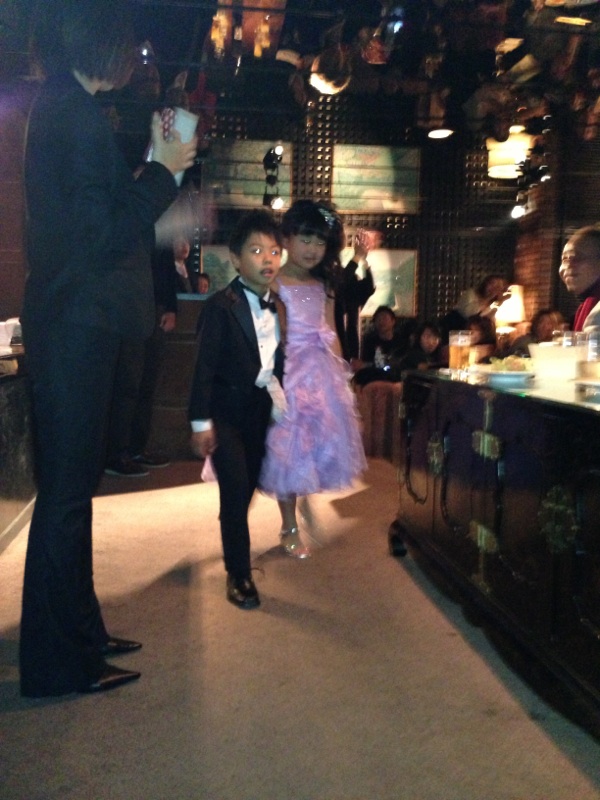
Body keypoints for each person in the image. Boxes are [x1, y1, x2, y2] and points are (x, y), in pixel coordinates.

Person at [20, 0, 197, 697]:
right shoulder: (74, 116)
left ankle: (82, 633)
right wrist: (166, 172)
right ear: (103, 46)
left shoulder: (67, 108)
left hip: (71, 323)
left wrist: (155, 161)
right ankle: (56, 665)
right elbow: (103, 236)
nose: (136, 60)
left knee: (74, 491)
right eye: (131, 48)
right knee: (67, 496)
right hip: (74, 326)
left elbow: (98, 217)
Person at [188, 209, 285, 611]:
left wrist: (280, 400)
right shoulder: (220, 306)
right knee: (234, 486)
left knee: (248, 485)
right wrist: (200, 422)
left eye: (274, 251)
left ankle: (231, 521)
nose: (267, 259)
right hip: (225, 412)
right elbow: (203, 368)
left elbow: (276, 361)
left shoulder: (278, 306)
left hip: (258, 413)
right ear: (235, 258)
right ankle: (239, 574)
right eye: (256, 250)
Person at [259, 200, 367, 556]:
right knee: (287, 448)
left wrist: (342, 375)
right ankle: (288, 524)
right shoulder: (273, 280)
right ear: (287, 238)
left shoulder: (325, 284)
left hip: (320, 371)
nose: (312, 249)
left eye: (320, 242)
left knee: (316, 446)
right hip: (287, 370)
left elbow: (331, 329)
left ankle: (303, 500)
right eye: (305, 239)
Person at [104, 243, 180, 477]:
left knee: (147, 382)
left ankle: (136, 449)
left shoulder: (157, 226)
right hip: (127, 305)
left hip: (154, 305)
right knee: (128, 382)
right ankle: (116, 453)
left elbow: (166, 265)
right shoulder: (130, 225)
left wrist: (170, 307)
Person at [335, 229, 377, 361]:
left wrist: (364, 260)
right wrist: (357, 256)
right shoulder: (326, 274)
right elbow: (339, 283)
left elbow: (368, 288)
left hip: (349, 344)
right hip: (330, 341)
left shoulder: (346, 275)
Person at [440, 274, 508, 344]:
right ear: (486, 283)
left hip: (474, 336)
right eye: (492, 284)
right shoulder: (470, 294)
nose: (494, 288)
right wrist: (491, 302)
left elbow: (490, 322)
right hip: (456, 327)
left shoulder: (494, 305)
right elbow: (470, 314)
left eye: (498, 287)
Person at [352, 305, 412, 386]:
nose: (381, 322)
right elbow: (365, 362)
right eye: (378, 319)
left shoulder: (401, 341)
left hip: (395, 379)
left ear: (393, 321)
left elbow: (401, 363)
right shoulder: (370, 341)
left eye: (384, 318)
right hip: (374, 378)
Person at [559, 225, 600, 331]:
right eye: (564, 259)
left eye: (577, 258)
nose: (568, 265)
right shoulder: (586, 306)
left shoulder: (596, 315)